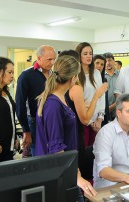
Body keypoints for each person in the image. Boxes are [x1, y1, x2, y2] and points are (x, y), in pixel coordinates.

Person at [35, 55, 97, 200]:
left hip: (67, 169)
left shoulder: (60, 98)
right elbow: (56, 148)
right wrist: (76, 177)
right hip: (58, 172)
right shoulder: (53, 104)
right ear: (74, 77)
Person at [59, 50, 108, 181]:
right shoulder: (75, 88)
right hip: (74, 133)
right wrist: (97, 96)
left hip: (65, 135)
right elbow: (85, 119)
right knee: (77, 171)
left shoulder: (55, 87)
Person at [16, 45, 56, 157]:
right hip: (34, 122)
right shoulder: (26, 75)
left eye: (54, 59)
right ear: (39, 58)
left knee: (52, 153)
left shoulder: (54, 76)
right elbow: (20, 104)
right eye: (49, 59)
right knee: (38, 155)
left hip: (52, 120)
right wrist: (25, 130)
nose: (53, 62)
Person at [76, 42, 105, 147]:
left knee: (95, 153)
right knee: (84, 154)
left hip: (97, 122)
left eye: (90, 53)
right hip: (82, 121)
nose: (89, 56)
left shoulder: (96, 73)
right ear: (79, 55)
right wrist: (90, 122)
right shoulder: (75, 75)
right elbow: (77, 102)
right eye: (85, 53)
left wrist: (99, 119)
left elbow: (101, 97)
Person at [93, 54, 110, 125]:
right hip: (91, 116)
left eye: (102, 64)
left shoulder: (104, 80)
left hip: (103, 116)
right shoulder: (87, 79)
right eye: (97, 63)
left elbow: (105, 101)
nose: (99, 66)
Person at [103, 52, 119, 121]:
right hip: (104, 111)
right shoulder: (101, 76)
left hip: (118, 110)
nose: (107, 63)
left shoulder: (120, 74)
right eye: (105, 61)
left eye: (109, 60)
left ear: (114, 61)